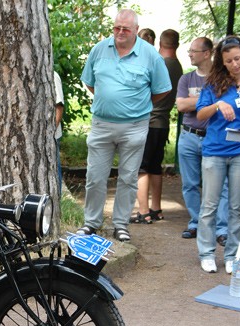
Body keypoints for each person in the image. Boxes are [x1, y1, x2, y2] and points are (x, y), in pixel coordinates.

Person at [77, 9, 171, 242]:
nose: (119, 32)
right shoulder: (99, 49)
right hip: (101, 124)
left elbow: (162, 89)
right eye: (116, 27)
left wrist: (136, 105)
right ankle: (91, 223)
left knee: (128, 178)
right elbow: (90, 83)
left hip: (134, 127)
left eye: (125, 29)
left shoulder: (150, 55)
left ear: (136, 30)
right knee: (95, 177)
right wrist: (109, 100)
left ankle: (120, 224)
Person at [195, 36, 240, 274]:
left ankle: (232, 255)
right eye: (228, 61)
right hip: (215, 151)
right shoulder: (213, 85)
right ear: (222, 63)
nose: (234, 64)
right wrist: (218, 105)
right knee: (210, 206)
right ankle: (206, 253)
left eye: (237, 58)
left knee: (237, 207)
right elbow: (201, 114)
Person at [176, 37, 229, 243]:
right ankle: (196, 223)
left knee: (219, 185)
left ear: (207, 53)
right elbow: (180, 106)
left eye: (193, 51)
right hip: (188, 136)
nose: (189, 54)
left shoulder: (221, 78)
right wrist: (211, 102)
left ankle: (221, 229)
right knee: (189, 184)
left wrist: (196, 103)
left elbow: (227, 102)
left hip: (214, 139)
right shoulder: (186, 79)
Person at [132, 29, 183, 224]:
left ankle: (143, 212)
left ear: (160, 43)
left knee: (141, 168)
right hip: (162, 123)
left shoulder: (160, 64)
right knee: (155, 168)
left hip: (149, 122)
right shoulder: (177, 66)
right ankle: (156, 209)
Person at [54, 71, 64, 194]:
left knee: (55, 170)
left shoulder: (53, 75)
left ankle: (57, 199)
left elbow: (59, 106)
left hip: (52, 135)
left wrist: (52, 131)